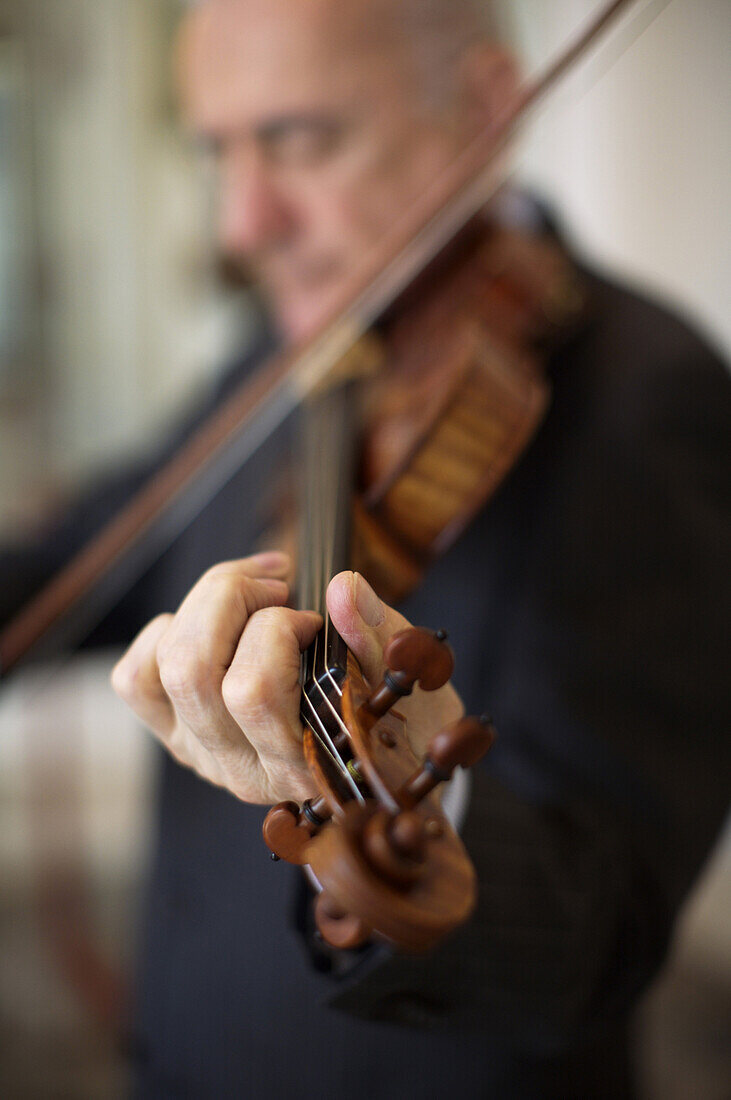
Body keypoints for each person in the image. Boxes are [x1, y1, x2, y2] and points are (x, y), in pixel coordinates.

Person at [3, 1, 730, 1096]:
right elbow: (100, 539)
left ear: (484, 109)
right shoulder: (296, 338)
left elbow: (597, 924)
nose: (242, 223)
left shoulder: (644, 391)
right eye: (217, 150)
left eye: (299, 137)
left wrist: (421, 806)